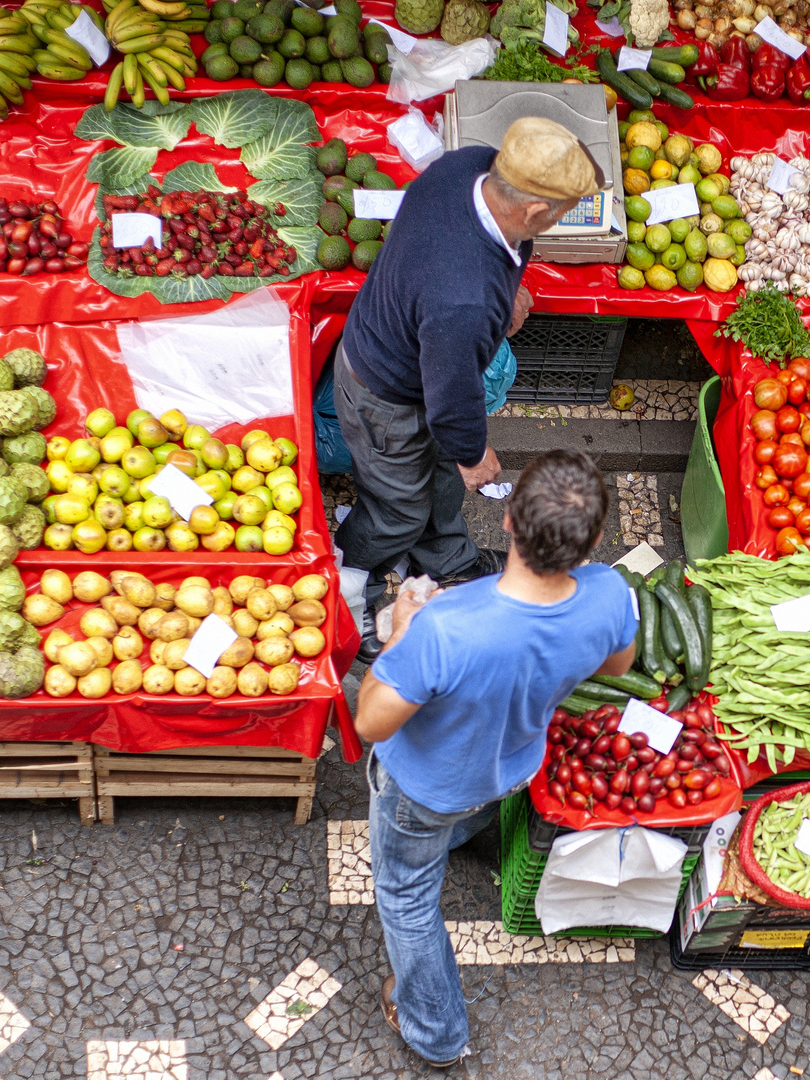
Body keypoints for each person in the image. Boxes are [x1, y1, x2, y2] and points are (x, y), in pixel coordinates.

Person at [354, 449, 637, 1067]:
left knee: (405, 896)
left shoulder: (447, 627)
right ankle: (455, 838)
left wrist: (400, 633)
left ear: (507, 521)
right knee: (469, 812)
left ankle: (436, 1033)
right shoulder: (609, 593)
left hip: (425, 787)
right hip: (512, 765)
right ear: (592, 540)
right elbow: (618, 665)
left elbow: (371, 720)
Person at [333, 117, 605, 661]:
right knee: (398, 508)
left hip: (408, 349)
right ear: (533, 211)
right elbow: (451, 394)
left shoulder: (465, 168)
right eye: (561, 211)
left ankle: (447, 559)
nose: (561, 219)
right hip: (387, 393)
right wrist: (474, 453)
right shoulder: (464, 299)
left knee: (436, 483)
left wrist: (506, 294)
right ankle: (347, 588)